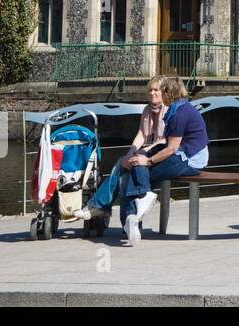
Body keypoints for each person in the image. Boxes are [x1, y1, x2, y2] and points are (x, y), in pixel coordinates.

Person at [117, 77, 208, 246]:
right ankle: (134, 214)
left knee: (137, 169)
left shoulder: (179, 114)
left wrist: (149, 161)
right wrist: (143, 157)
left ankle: (134, 211)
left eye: (161, 91)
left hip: (189, 160)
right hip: (181, 153)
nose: (158, 94)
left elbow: (171, 149)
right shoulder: (178, 109)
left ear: (168, 94)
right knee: (137, 162)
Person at [72, 78, 165, 225]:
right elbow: (141, 134)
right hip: (146, 153)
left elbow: (163, 141)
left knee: (124, 172)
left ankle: (99, 206)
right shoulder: (147, 110)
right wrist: (130, 153)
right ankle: (125, 221)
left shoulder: (168, 110)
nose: (152, 93)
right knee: (124, 168)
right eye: (150, 90)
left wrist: (138, 153)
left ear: (164, 92)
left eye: (156, 90)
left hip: (160, 155)